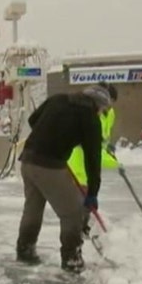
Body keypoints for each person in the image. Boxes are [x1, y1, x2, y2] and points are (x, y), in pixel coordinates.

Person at [16, 84, 112, 273]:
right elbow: (93, 159)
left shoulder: (58, 98)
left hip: (28, 160)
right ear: (97, 105)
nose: (101, 113)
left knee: (33, 208)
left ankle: (25, 250)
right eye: (102, 110)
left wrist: (52, 136)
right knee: (73, 212)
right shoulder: (90, 118)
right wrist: (92, 193)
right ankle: (71, 258)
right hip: (49, 166)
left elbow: (33, 119)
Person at [67, 81, 120, 235]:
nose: (110, 105)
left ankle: (82, 226)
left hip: (92, 156)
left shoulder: (109, 113)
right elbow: (90, 144)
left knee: (88, 193)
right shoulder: (87, 114)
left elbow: (104, 136)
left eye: (113, 102)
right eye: (109, 101)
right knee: (82, 195)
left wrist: (107, 146)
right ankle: (77, 229)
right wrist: (116, 163)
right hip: (79, 161)